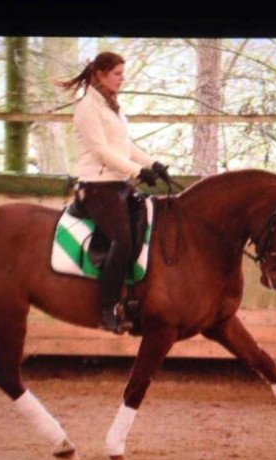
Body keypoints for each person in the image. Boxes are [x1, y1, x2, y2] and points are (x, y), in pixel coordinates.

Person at [58, 51, 170, 334]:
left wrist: (152, 164)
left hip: (118, 186)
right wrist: (138, 171)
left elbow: (125, 146)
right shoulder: (87, 108)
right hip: (97, 188)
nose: (123, 78)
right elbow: (102, 152)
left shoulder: (113, 107)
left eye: (123, 73)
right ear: (100, 74)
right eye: (118, 73)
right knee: (122, 238)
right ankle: (107, 308)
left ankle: (133, 301)